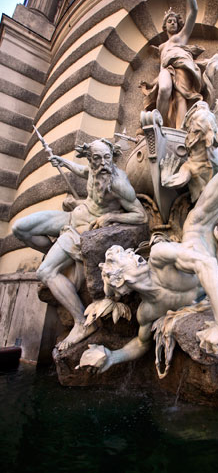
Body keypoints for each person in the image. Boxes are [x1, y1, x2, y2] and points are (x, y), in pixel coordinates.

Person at [79, 111, 218, 372]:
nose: (135, 257)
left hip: (200, 227)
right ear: (124, 282)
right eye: (127, 259)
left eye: (129, 256)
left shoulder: (159, 257)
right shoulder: (146, 312)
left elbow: (207, 266)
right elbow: (141, 344)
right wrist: (112, 357)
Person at [13, 139, 147, 350]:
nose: (103, 163)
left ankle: (82, 323)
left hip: (83, 230)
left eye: (107, 158)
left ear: (112, 157)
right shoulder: (94, 169)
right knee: (20, 228)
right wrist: (64, 163)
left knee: (45, 272)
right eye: (97, 159)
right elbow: (83, 170)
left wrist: (111, 216)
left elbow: (141, 216)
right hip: (72, 217)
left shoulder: (118, 183)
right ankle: (60, 259)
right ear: (90, 159)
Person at [140, 0, 218, 129]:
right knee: (163, 90)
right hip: (167, 69)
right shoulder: (162, 47)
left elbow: (194, 10)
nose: (172, 23)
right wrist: (151, 83)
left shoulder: (181, 37)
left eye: (175, 21)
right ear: (164, 26)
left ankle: (180, 130)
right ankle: (159, 126)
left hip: (182, 65)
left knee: (181, 97)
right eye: (169, 21)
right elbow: (162, 66)